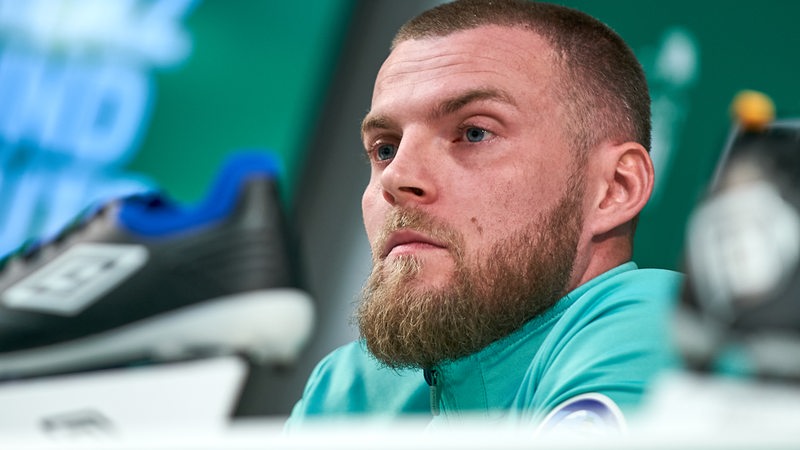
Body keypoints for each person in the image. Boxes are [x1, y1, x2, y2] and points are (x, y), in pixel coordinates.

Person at [286, 0, 682, 433]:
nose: (395, 177)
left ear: (614, 189)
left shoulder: (662, 327)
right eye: (385, 149)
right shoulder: (348, 388)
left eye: (475, 133)